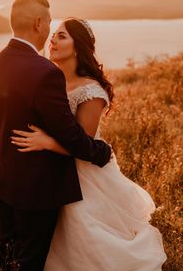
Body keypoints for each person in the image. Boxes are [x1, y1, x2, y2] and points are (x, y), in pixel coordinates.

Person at [10, 18, 167, 270]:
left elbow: (84, 144)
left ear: (78, 46)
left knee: (82, 233)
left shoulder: (90, 91)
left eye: (62, 37)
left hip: (83, 172)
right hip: (47, 170)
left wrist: (48, 142)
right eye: (54, 36)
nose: (53, 41)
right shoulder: (49, 80)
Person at [0, 0, 112, 271]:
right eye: (50, 23)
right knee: (30, 260)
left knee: (4, 254)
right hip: (35, 184)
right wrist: (102, 152)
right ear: (39, 23)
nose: (50, 31)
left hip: (0, 172)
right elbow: (70, 134)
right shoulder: (45, 72)